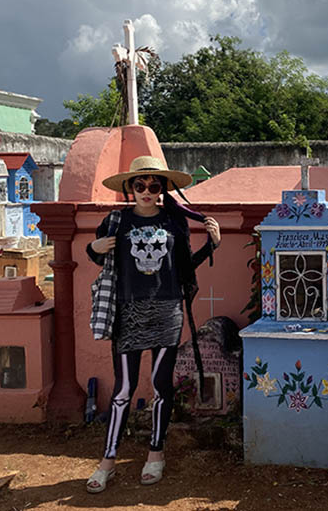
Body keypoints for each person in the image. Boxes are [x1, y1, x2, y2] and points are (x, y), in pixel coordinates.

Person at [85, 155, 221, 493]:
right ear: (130, 188)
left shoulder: (175, 221)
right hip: (128, 311)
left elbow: (184, 268)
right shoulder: (116, 222)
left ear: (163, 188)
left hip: (166, 311)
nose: (147, 191)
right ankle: (107, 460)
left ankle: (155, 454)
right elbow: (99, 257)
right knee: (123, 391)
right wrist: (92, 246)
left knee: (161, 386)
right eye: (140, 185)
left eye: (154, 185)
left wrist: (210, 246)